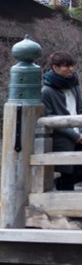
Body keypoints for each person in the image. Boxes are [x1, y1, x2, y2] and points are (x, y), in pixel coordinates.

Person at [44, 50, 82, 191]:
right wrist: (75, 135)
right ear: (55, 67)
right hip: (64, 139)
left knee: (76, 173)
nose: (70, 69)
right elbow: (50, 119)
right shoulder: (47, 91)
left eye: (72, 65)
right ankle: (67, 210)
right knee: (68, 175)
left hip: (79, 134)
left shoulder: (74, 85)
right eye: (66, 66)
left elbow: (79, 110)